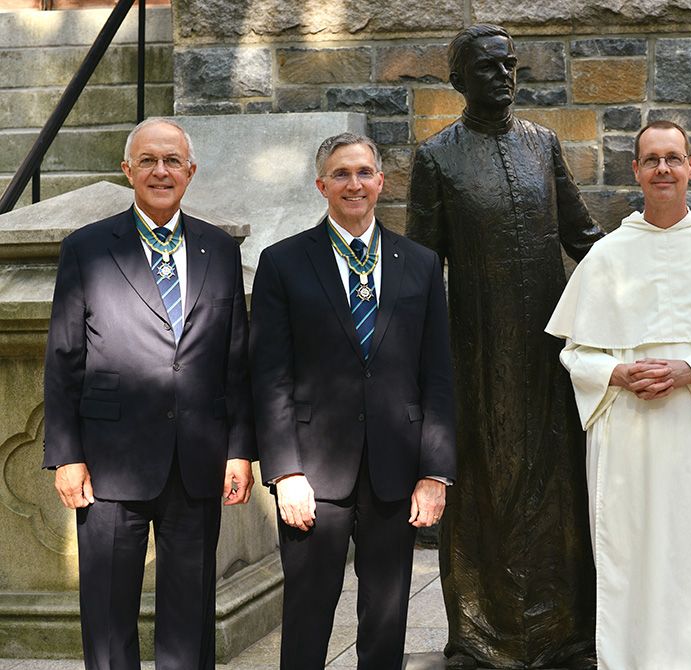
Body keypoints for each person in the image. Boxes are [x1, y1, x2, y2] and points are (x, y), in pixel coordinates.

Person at [406, 23, 605, 670]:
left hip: (548, 355)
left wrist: (659, 265)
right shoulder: (436, 158)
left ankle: (566, 632)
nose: (504, 75)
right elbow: (419, 271)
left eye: (510, 64)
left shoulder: (542, 145)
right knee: (484, 484)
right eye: (488, 66)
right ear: (460, 80)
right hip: (476, 355)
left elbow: (584, 238)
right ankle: (479, 634)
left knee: (557, 487)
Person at [546, 120, 691, 670]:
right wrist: (617, 375)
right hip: (624, 432)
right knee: (630, 558)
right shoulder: (607, 254)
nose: (663, 169)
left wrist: (690, 368)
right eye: (652, 160)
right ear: (636, 171)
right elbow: (573, 352)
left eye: (673, 158)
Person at [43, 117, 255, 670]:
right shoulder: (86, 248)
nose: (161, 171)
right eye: (148, 161)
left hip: (198, 458)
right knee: (109, 611)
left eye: (172, 162)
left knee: (192, 610)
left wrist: (239, 449)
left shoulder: (219, 249)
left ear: (190, 171)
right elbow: (64, 359)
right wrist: (67, 456)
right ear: (127, 170)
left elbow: (236, 359)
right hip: (111, 461)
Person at [250, 132, 456, 670]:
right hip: (313, 470)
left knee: (386, 616)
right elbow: (269, 376)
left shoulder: (421, 263)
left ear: (381, 183)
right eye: (341, 174)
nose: (354, 184)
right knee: (309, 610)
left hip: (397, 463)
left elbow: (437, 374)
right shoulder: (283, 262)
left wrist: (435, 473)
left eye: (364, 172)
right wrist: (284, 472)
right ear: (322, 185)